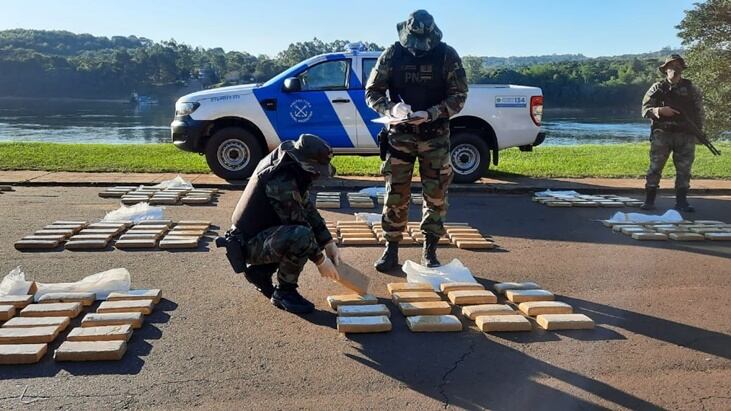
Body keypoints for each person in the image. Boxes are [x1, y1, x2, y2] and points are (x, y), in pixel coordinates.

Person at [365, 9, 468, 271]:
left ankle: (430, 250)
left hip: (435, 137)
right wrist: (390, 109)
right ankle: (391, 249)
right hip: (400, 136)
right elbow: (372, 92)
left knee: (435, 194)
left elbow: (459, 96)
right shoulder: (392, 54)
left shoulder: (447, 55)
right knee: (395, 193)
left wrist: (431, 113)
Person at [222, 134, 340, 314]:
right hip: (249, 244)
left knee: (298, 234)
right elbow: (298, 222)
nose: (317, 175)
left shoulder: (292, 167)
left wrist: (328, 242)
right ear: (305, 163)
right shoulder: (279, 179)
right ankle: (285, 292)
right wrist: (321, 260)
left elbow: (307, 208)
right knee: (300, 236)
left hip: (261, 236)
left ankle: (259, 273)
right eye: (316, 170)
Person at [641, 54, 704, 212]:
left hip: (685, 135)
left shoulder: (691, 89)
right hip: (662, 134)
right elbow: (644, 110)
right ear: (665, 70)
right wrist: (660, 110)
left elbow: (699, 112)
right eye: (671, 66)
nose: (674, 70)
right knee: (655, 168)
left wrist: (698, 132)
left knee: (684, 170)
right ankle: (649, 200)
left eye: (678, 66)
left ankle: (681, 202)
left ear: (682, 69)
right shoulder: (657, 88)